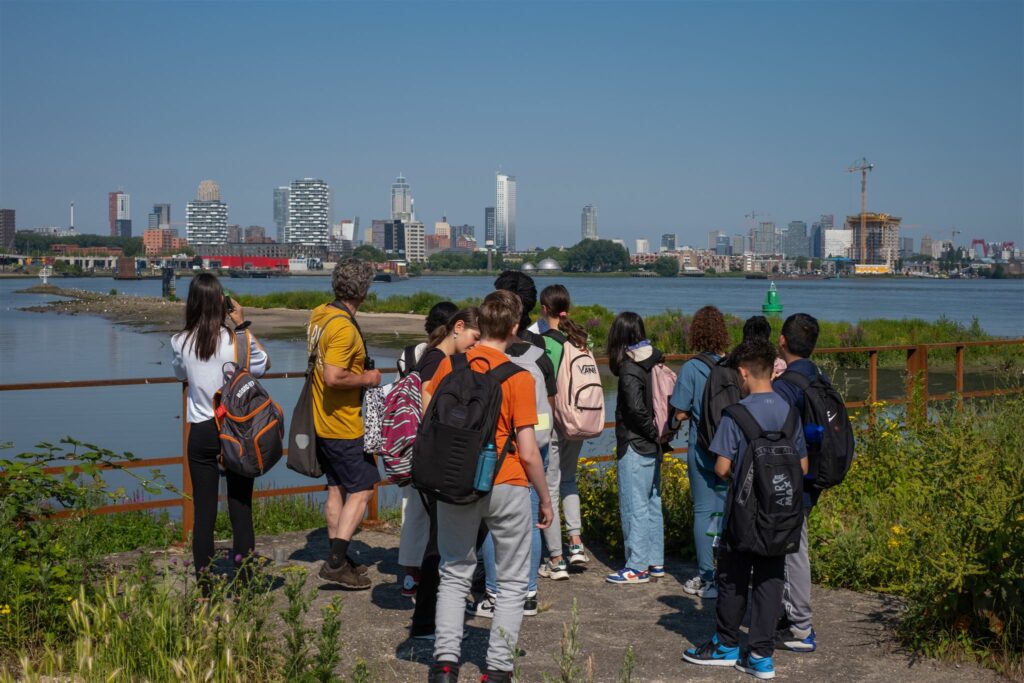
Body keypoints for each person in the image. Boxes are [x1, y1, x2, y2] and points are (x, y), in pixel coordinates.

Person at [426, 290, 553, 683]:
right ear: (515, 329)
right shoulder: (518, 377)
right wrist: (544, 498)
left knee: (454, 572)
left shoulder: (452, 365)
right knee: (513, 581)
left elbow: (426, 415)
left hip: (455, 480)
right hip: (508, 482)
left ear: (480, 323)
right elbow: (529, 451)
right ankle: (497, 669)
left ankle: (446, 664)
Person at [683, 339, 807, 680]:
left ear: (743, 371)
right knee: (770, 578)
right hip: (782, 513)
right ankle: (761, 656)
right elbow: (804, 465)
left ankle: (725, 645)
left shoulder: (736, 414)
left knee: (733, 576)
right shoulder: (789, 412)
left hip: (743, 512)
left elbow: (722, 468)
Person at [171, 273, 270, 590]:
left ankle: (204, 588)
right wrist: (241, 326)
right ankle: (245, 582)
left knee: (204, 513)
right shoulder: (236, 341)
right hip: (236, 432)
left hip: (201, 431)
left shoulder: (180, 341)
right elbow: (263, 363)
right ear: (221, 303)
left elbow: (180, 374)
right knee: (241, 507)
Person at [306, 258, 381, 590]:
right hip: (344, 424)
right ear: (363, 291)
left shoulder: (321, 315)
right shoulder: (344, 329)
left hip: (322, 419)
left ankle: (341, 555)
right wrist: (368, 377)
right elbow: (333, 376)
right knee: (363, 490)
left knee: (336, 488)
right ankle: (335, 563)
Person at [407, 308, 482, 638]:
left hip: (439, 458)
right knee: (447, 545)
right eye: (473, 338)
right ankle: (431, 619)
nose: (473, 344)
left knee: (440, 542)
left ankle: (426, 619)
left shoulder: (445, 364)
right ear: (459, 327)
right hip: (456, 463)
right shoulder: (447, 363)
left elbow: (426, 400)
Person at [397, 301, 465, 598]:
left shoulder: (410, 353)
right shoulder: (441, 360)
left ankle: (410, 574)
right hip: (428, 441)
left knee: (412, 509)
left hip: (405, 437)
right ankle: (428, 576)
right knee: (431, 512)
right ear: (453, 328)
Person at [669, 305, 731, 598]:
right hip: (729, 449)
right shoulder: (732, 366)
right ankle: (730, 572)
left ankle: (707, 578)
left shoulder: (692, 368)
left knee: (703, 511)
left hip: (701, 448)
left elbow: (680, 411)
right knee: (728, 510)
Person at [771, 313, 824, 653]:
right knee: (792, 547)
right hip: (814, 473)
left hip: (791, 479)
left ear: (782, 342)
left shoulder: (786, 386)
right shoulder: (817, 376)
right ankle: (787, 615)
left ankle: (800, 628)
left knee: (793, 551)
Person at [605, 312, 666, 585]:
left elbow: (636, 410)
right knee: (652, 502)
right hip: (653, 445)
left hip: (634, 442)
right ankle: (655, 562)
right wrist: (658, 437)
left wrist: (651, 433)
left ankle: (636, 566)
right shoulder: (654, 361)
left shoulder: (630, 368)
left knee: (634, 505)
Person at [536, 284, 591, 575]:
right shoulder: (580, 338)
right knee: (569, 480)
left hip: (556, 421)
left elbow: (547, 385)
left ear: (545, 310)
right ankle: (577, 545)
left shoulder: (547, 342)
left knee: (551, 486)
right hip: (579, 420)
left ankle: (556, 559)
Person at [396, 301, 459, 377]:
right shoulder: (457, 358)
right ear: (456, 327)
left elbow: (399, 382)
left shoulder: (409, 353)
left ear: (428, 325)